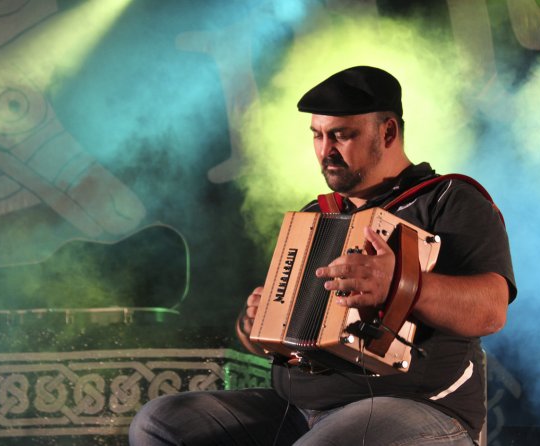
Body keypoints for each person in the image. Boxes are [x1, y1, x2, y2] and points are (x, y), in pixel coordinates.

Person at [129, 66, 517, 446]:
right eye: (317, 135)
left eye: (341, 136)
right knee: (160, 423)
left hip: (418, 408)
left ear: (387, 132)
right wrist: (256, 325)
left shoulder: (448, 201)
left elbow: (491, 310)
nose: (325, 150)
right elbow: (287, 336)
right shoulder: (316, 216)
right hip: (299, 411)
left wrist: (400, 284)